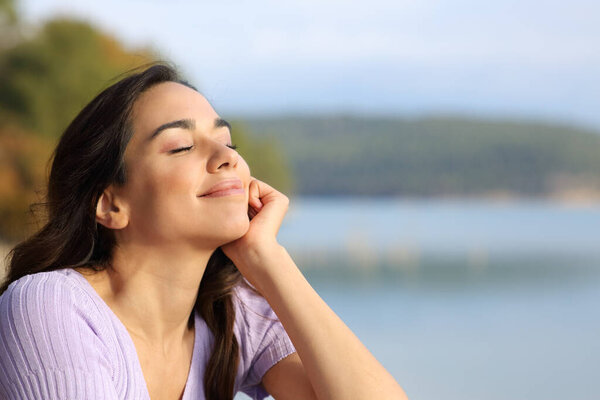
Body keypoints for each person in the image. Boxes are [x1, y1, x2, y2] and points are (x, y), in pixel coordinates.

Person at [0, 63, 408, 400]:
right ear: (110, 204)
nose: (227, 157)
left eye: (226, 141)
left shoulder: (232, 316)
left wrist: (269, 261)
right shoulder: (52, 305)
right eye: (181, 146)